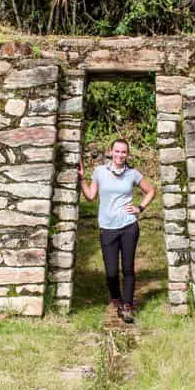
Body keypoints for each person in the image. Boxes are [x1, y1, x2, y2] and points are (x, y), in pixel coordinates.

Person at [78, 138, 156, 323]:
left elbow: (151, 191)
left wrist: (140, 208)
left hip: (129, 226)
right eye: (117, 151)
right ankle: (116, 300)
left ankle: (127, 306)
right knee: (111, 272)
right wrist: (81, 179)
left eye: (124, 152)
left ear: (127, 154)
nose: (120, 155)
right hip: (107, 228)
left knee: (128, 269)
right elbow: (90, 196)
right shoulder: (99, 172)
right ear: (111, 152)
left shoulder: (133, 174)